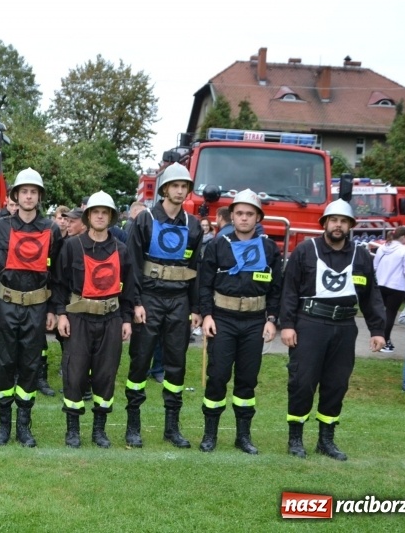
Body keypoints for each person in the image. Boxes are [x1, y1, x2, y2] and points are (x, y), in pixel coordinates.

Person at [280, 199, 385, 461]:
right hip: (310, 325)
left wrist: (378, 330)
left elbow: (372, 295)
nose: (338, 225)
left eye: (343, 221)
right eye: (333, 220)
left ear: (350, 225)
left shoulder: (361, 255)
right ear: (325, 223)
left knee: (336, 384)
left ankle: (326, 440)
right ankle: (295, 438)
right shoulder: (306, 250)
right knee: (302, 383)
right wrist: (288, 325)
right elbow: (289, 290)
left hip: (345, 327)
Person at [197, 190, 283, 454]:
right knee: (218, 377)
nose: (244, 218)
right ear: (231, 216)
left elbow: (277, 288)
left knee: (247, 380)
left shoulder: (269, 249)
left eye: (249, 214)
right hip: (222, 319)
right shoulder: (217, 245)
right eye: (239, 213)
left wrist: (271, 320)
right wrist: (207, 315)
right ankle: (210, 434)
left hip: (255, 322)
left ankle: (243, 436)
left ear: (257, 217)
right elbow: (204, 284)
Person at [124, 163, 202, 449]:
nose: (180, 190)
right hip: (149, 300)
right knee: (140, 362)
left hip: (179, 302)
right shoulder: (144, 221)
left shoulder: (193, 226)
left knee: (176, 366)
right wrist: (136, 302)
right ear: (165, 189)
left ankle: (172, 428)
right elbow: (131, 265)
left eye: (185, 186)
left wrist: (195, 308)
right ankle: (133, 426)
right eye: (176, 185)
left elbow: (195, 269)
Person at [54, 191, 137, 448]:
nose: (100, 216)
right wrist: (60, 314)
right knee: (75, 374)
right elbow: (58, 283)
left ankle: (99, 430)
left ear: (111, 217)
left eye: (105, 212)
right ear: (88, 216)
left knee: (105, 374)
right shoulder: (71, 246)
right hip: (78, 318)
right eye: (95, 212)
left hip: (111, 319)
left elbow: (130, 289)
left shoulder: (121, 250)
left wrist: (126, 319)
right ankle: (73, 430)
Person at [0, 168, 62, 447]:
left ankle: (24, 426)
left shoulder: (51, 229)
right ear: (16, 196)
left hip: (36, 306)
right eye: (24, 191)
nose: (29, 196)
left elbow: (57, 274)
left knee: (30, 365)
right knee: (4, 363)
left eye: (34, 192)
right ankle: (3, 426)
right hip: (6, 305)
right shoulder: (1, 227)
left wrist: (54, 310)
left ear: (39, 196)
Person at [373, 226, 405, 353]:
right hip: (397, 286)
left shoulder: (383, 247)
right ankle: (386, 340)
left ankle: (377, 337)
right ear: (403, 237)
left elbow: (375, 265)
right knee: (391, 313)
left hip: (381, 283)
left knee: (381, 312)